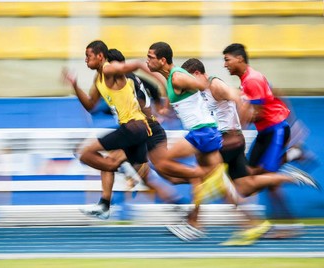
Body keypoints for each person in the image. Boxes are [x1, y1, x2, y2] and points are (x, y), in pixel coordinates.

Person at [181, 58, 318, 245]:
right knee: (245, 185)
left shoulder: (216, 85)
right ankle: (291, 175)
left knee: (205, 174)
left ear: (196, 74)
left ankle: (196, 223)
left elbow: (240, 98)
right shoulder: (202, 92)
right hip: (228, 139)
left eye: (187, 79)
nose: (185, 84)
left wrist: (239, 127)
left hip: (230, 140)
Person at [64, 47, 188, 219]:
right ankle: (178, 202)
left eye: (88, 56)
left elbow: (143, 90)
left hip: (143, 127)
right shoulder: (107, 80)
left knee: (159, 171)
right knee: (151, 176)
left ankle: (119, 180)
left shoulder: (120, 76)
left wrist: (159, 107)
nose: (86, 60)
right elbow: (95, 106)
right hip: (141, 127)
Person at [144, 41, 241, 241]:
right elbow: (181, 101)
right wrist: (165, 112)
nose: (147, 61)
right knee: (222, 185)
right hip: (205, 132)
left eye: (150, 57)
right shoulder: (171, 79)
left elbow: (201, 84)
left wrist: (199, 83)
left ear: (162, 60)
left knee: (162, 161)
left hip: (202, 133)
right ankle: (248, 223)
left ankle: (201, 177)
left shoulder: (177, 76)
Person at [222, 43, 319, 238]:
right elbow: (275, 95)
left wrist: (236, 127)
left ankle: (289, 224)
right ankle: (292, 156)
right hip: (267, 132)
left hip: (274, 132)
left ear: (239, 58)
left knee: (268, 180)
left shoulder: (252, 80)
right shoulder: (248, 80)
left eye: (227, 59)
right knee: (251, 176)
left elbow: (257, 112)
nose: (225, 65)